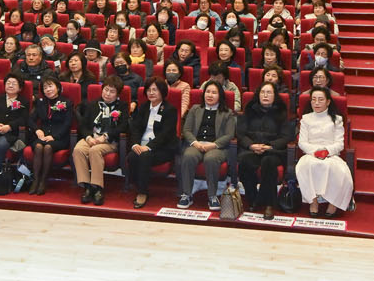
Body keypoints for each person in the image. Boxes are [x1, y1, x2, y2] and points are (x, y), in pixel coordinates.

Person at [176, 80, 235, 210]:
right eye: (208, 92)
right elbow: (186, 130)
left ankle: (212, 196)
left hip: (217, 147)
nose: (210, 95)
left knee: (211, 158)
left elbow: (229, 135)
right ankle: (187, 194)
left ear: (220, 95)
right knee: (188, 156)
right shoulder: (195, 109)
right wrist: (195, 142)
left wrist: (213, 145)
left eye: (214, 92)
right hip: (196, 144)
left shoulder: (227, 113)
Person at [293, 86, 352, 215]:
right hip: (311, 154)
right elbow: (302, 142)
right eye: (313, 99)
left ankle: (334, 203)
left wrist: (326, 151)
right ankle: (313, 201)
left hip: (331, 155)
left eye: (320, 99)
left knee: (340, 171)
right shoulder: (306, 119)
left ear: (328, 102)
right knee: (304, 166)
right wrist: (316, 152)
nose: (317, 103)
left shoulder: (337, 119)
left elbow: (340, 144)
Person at [237, 80, 293, 213]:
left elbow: (286, 136)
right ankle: (253, 198)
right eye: (262, 92)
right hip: (252, 150)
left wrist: (270, 146)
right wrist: (251, 145)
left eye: (269, 92)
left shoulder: (281, 112)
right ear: (258, 95)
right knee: (245, 163)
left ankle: (269, 204)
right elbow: (240, 133)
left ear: (275, 95)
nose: (265, 95)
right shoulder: (249, 110)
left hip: (273, 151)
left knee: (268, 162)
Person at [71, 78, 129, 205]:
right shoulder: (93, 104)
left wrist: (105, 136)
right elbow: (83, 125)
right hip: (92, 137)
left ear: (117, 94)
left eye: (112, 92)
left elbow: (123, 126)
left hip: (109, 141)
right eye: (106, 90)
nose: (107, 94)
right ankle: (87, 186)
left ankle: (97, 188)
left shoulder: (122, 106)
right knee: (78, 150)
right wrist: (88, 137)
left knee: (94, 150)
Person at [124, 78, 177, 209]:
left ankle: (143, 192)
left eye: (155, 90)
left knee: (144, 156)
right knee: (132, 156)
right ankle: (136, 185)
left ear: (162, 92)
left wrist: (148, 147)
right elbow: (135, 128)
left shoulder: (170, 109)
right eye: (148, 90)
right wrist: (135, 144)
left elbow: (165, 134)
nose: (151, 93)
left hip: (162, 148)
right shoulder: (143, 107)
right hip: (142, 144)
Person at [25, 76, 76, 194]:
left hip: (59, 137)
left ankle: (43, 181)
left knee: (48, 147)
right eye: (45, 88)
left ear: (57, 87)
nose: (48, 90)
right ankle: (35, 180)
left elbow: (67, 123)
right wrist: (37, 130)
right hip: (42, 136)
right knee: (38, 147)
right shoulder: (41, 102)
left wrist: (55, 136)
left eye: (50, 86)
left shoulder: (66, 102)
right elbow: (30, 120)